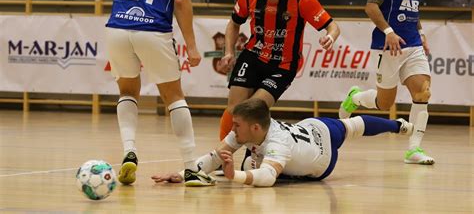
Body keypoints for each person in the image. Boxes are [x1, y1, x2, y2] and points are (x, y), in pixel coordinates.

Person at [86, 0, 215, 186]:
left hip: (118, 27)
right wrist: (192, 46)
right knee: (174, 97)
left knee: (127, 92)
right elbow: (181, 0)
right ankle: (191, 168)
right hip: (153, 30)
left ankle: (129, 151)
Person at [151, 98, 413, 187]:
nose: (232, 130)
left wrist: (236, 176)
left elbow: (267, 177)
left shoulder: (277, 144)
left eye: (236, 126)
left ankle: (398, 125)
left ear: (255, 127)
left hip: (323, 159)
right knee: (350, 126)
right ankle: (397, 125)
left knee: (353, 126)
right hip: (310, 127)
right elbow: (216, 155)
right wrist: (185, 174)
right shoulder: (250, 129)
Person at [218, 0, 340, 141]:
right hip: (253, 55)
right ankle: (222, 157)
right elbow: (233, 24)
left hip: (283, 65)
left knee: (254, 109)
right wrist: (228, 52)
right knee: (234, 108)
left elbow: (332, 26)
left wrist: (330, 37)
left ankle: (253, 156)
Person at [338, 0, 434, 165]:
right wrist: (389, 32)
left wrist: (421, 35)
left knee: (423, 92)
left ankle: (414, 150)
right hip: (387, 47)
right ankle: (356, 97)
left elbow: (414, 11)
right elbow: (371, 7)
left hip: (412, 45)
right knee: (385, 103)